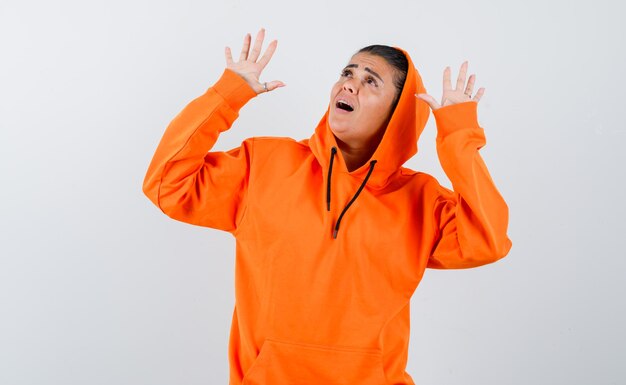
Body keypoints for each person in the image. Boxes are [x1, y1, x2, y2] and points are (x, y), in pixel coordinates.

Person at [143, 28, 512, 385]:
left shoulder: (421, 199)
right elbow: (166, 184)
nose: (349, 83)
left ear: (397, 113)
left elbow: (487, 240)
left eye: (371, 81)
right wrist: (227, 95)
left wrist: (457, 136)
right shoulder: (265, 164)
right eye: (347, 73)